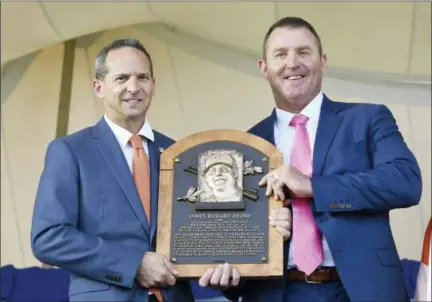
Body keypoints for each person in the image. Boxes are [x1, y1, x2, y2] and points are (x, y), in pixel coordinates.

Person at [198, 16, 422, 302]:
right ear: (264, 68)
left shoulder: (367, 119)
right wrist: (228, 280)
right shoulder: (243, 147)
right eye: (281, 54)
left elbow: (406, 182)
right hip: (276, 294)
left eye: (303, 52)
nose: (292, 63)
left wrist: (312, 186)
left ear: (323, 61)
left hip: (360, 291)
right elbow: (241, 243)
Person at [30, 39, 194, 302]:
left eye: (142, 77)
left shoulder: (178, 153)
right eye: (121, 78)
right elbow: (49, 238)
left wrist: (225, 266)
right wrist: (133, 264)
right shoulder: (70, 150)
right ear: (99, 87)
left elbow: (196, 230)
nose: (134, 87)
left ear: (153, 85)